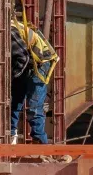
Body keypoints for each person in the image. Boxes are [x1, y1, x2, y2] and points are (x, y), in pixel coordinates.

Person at [11, 16, 59, 144]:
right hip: (28, 65)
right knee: (14, 101)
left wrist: (11, 76)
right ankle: (10, 134)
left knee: (34, 106)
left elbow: (23, 58)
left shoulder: (10, 31)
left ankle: (40, 142)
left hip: (40, 64)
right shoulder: (8, 28)